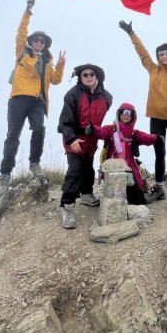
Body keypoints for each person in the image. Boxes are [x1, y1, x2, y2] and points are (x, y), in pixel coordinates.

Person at [119, 21, 167, 214]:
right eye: (161, 54)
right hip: (156, 118)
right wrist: (131, 33)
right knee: (159, 153)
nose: (164, 56)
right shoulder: (152, 68)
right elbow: (142, 52)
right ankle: (159, 189)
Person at [0, 0, 66, 186]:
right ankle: (5, 172)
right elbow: (21, 32)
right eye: (36, 39)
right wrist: (27, 12)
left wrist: (60, 64)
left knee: (39, 129)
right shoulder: (23, 52)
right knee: (13, 134)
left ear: (45, 45)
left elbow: (56, 81)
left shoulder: (47, 61)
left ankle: (34, 163)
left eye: (42, 41)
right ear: (31, 41)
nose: (39, 42)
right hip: (19, 98)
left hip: (37, 101)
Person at [58, 64, 112, 229]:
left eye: (91, 74)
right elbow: (64, 122)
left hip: (91, 140)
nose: (88, 76)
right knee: (75, 170)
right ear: (80, 78)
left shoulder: (107, 97)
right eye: (84, 75)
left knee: (88, 167)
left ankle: (87, 194)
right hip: (75, 138)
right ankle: (67, 206)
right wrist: (72, 138)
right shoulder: (72, 94)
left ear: (97, 76)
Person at [89, 103, 160, 205]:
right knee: (115, 200)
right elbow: (102, 131)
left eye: (129, 113)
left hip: (130, 170)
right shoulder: (111, 129)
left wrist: (156, 138)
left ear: (133, 116)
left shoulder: (134, 134)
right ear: (119, 114)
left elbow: (145, 137)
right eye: (123, 112)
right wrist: (93, 130)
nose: (126, 115)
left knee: (138, 201)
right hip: (113, 170)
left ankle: (145, 196)